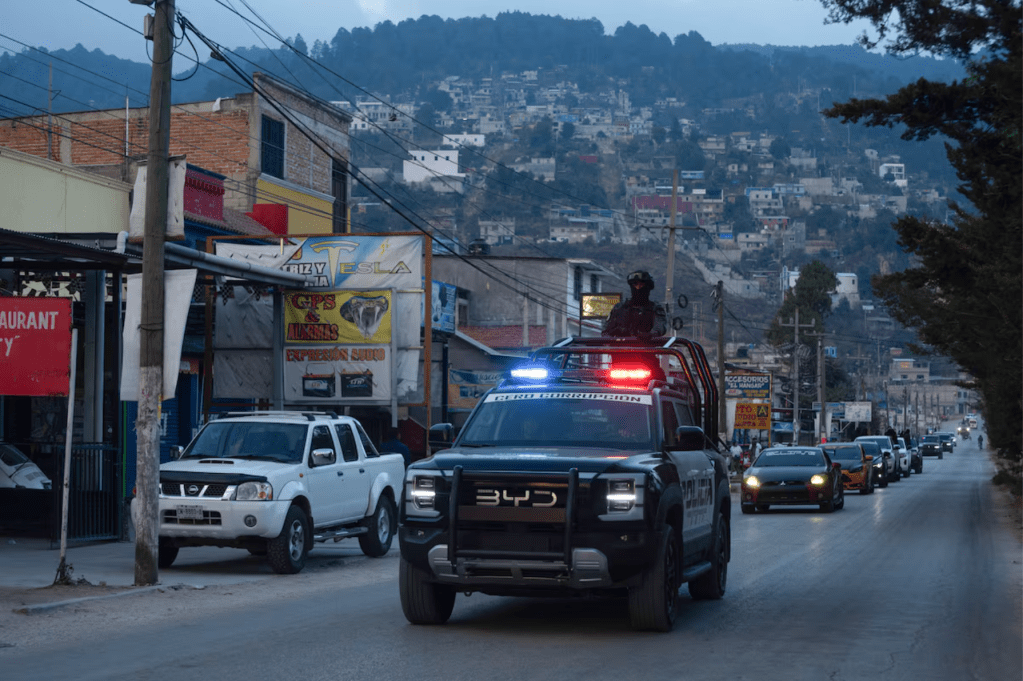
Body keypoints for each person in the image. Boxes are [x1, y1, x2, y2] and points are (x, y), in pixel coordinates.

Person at [602, 270, 668, 338]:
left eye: (641, 285)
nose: (638, 288)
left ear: (648, 287)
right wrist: (614, 332)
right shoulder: (619, 308)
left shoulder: (655, 309)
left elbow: (660, 328)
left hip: (646, 344)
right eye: (635, 285)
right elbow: (605, 331)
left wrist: (649, 335)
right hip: (621, 343)